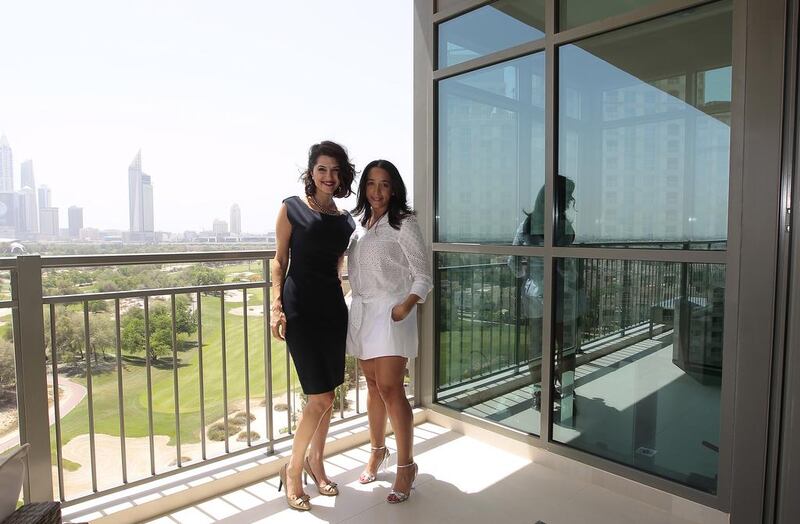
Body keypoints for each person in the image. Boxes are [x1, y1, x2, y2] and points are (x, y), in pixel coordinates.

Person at [271, 140, 356, 511]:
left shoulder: (346, 221)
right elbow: (279, 260)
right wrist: (276, 305)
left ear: (341, 177)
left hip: (332, 310)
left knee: (329, 397)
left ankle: (316, 463)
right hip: (300, 309)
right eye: (322, 169)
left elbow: (338, 267)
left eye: (335, 170)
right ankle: (293, 470)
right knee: (318, 397)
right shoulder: (291, 208)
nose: (328, 176)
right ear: (311, 172)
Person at [346, 159, 432, 504]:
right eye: (370, 184)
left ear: (394, 188)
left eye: (384, 184)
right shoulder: (360, 226)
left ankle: (405, 465)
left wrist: (405, 306)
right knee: (371, 386)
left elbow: (422, 274)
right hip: (364, 313)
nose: (377, 191)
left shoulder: (404, 223)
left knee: (391, 387)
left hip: (393, 311)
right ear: (364, 188)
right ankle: (377, 451)